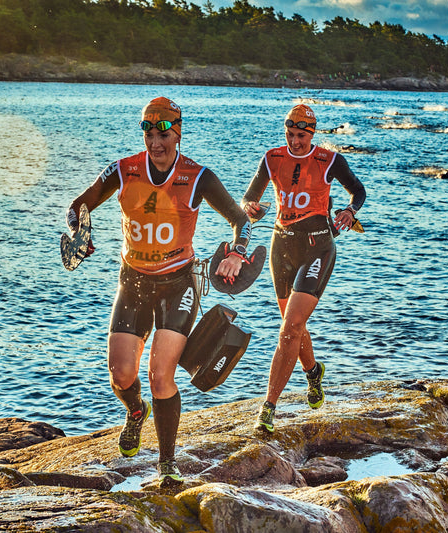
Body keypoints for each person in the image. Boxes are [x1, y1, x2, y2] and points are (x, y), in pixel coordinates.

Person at [65, 97, 250, 486]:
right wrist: (81, 231)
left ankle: (167, 463)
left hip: (178, 284)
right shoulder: (122, 170)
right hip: (132, 281)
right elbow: (78, 205)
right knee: (121, 372)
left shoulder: (198, 177)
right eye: (149, 134)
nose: (155, 142)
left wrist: (236, 252)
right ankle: (135, 412)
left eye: (163, 134)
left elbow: (239, 219)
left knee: (160, 374)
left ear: (177, 134)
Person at [241, 104, 366, 433]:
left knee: (289, 328)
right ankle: (313, 373)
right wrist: (249, 207)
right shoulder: (272, 158)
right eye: (290, 134)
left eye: (301, 135)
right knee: (291, 326)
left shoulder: (330, 160)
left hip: (317, 247)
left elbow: (358, 191)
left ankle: (268, 407)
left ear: (312, 134)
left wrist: (350, 211)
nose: (295, 141)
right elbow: (249, 198)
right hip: (280, 247)